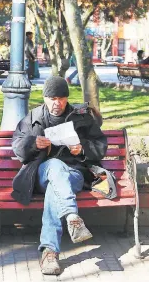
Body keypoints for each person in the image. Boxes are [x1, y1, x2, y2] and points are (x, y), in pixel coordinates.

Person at [11, 76, 108, 275]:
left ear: (67, 98)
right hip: (40, 174)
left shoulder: (82, 116)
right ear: (45, 98)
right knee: (54, 165)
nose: (57, 103)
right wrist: (32, 143)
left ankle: (50, 253)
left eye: (62, 98)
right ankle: (71, 216)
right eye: (52, 98)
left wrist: (82, 149)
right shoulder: (33, 117)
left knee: (56, 188)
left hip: (74, 175)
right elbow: (17, 148)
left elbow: (100, 146)